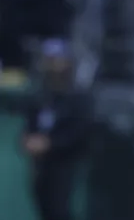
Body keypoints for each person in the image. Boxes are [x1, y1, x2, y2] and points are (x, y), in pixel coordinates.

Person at [22, 39, 91, 220]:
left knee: (61, 210)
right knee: (44, 208)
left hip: (67, 165)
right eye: (49, 60)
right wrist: (28, 140)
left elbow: (80, 132)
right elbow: (28, 126)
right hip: (41, 166)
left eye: (57, 60)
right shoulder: (40, 96)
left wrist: (50, 143)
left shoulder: (78, 97)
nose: (53, 66)